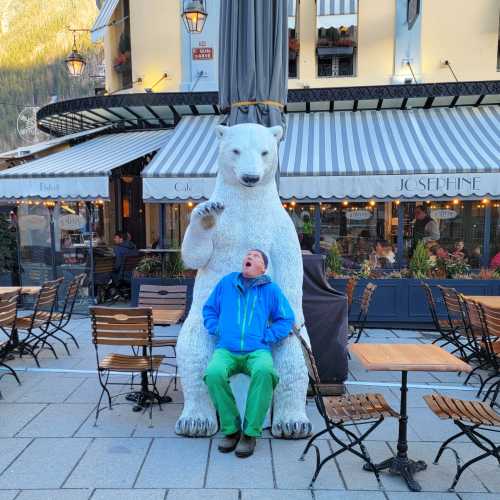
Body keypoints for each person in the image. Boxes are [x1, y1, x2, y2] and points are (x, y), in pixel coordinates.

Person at [203, 249, 294, 458]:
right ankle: (232, 429)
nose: (249, 257)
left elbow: (286, 318)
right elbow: (209, 309)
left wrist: (268, 335)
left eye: (256, 257)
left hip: (257, 350)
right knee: (214, 373)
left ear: (263, 268)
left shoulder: (271, 290)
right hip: (226, 349)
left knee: (265, 372)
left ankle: (250, 433)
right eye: (248, 255)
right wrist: (217, 329)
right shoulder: (226, 283)